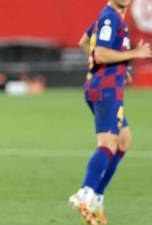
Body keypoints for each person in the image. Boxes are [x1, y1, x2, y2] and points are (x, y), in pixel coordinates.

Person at [69, 0, 152, 224]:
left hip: (109, 88)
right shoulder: (110, 17)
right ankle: (85, 192)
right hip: (105, 90)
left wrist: (119, 68)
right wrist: (133, 54)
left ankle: (96, 197)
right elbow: (101, 54)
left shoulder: (110, 18)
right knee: (107, 144)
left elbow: (85, 42)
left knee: (124, 141)